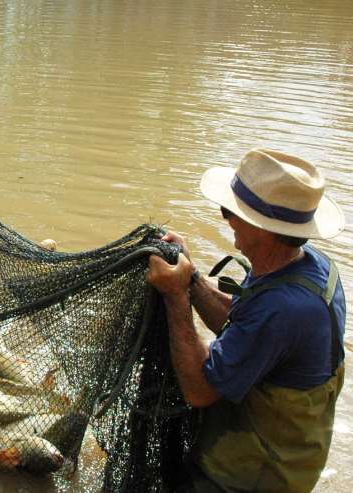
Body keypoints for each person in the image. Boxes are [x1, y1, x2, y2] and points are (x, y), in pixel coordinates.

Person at [147, 149, 346, 492]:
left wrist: (176, 295)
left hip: (253, 477)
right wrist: (191, 276)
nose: (226, 219)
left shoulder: (285, 310)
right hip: (290, 453)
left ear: (264, 229)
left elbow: (199, 391)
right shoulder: (303, 264)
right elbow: (240, 321)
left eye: (230, 212)